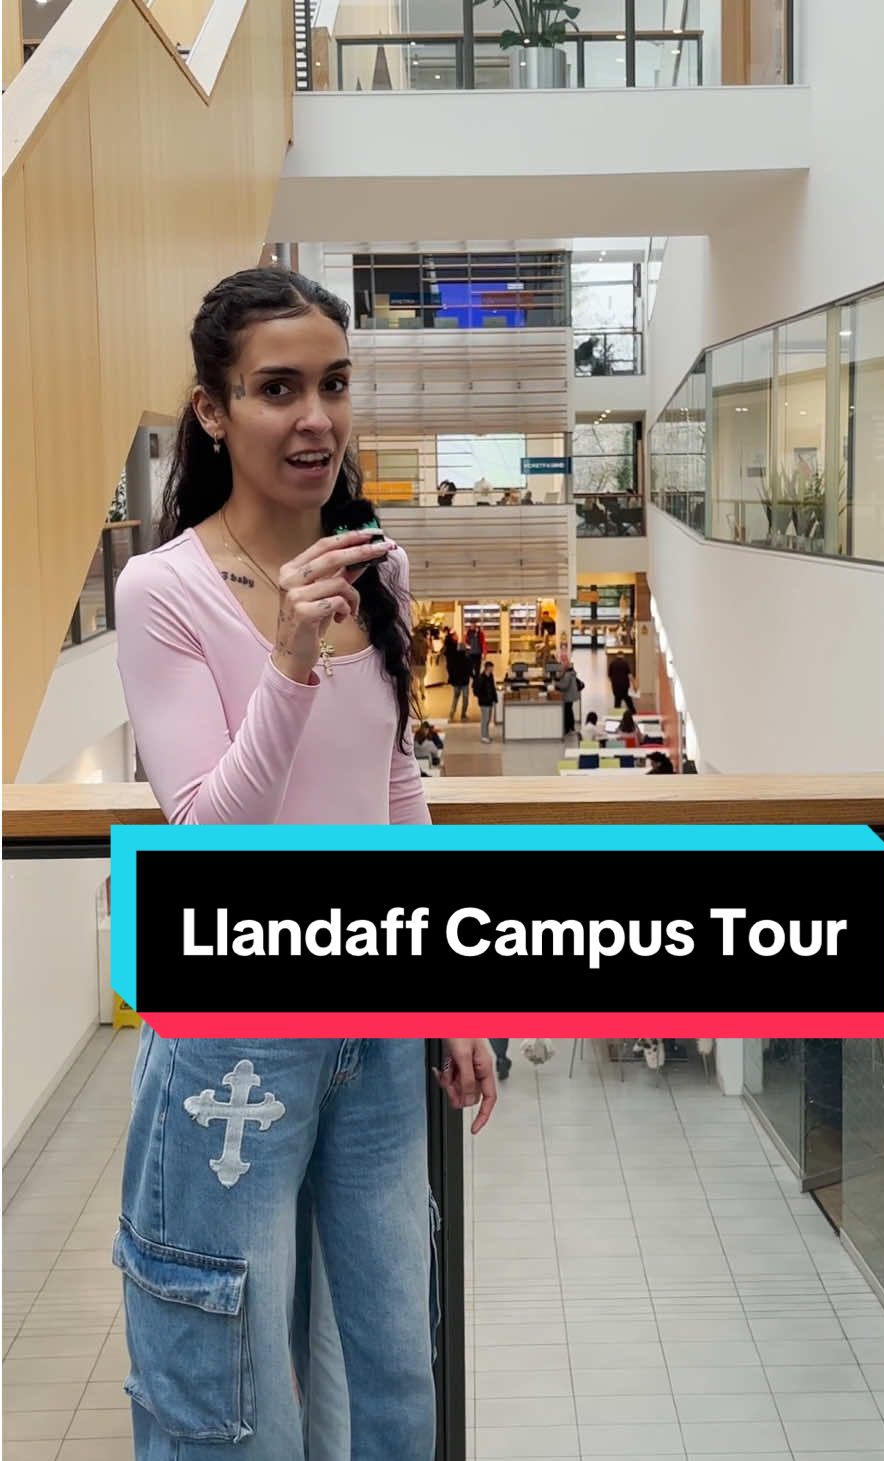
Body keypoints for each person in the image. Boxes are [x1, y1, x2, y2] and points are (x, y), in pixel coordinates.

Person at [112, 267, 496, 1460]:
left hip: (374, 1021)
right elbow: (204, 848)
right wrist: (288, 658)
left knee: (392, 1367)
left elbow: (392, 789)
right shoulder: (162, 590)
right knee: (235, 1397)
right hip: (235, 1034)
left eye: (334, 384)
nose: (316, 417)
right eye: (278, 389)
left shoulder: (375, 566)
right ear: (215, 411)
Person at [444, 631, 472, 721]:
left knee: (456, 697)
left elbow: (450, 667)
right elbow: (469, 666)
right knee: (465, 698)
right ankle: (463, 715)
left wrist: (451, 677)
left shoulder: (452, 653)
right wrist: (473, 675)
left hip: (457, 679)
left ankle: (451, 715)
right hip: (464, 679)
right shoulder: (464, 655)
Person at [473, 659, 498, 743]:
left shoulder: (491, 676)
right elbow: (476, 691)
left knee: (488, 719)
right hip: (484, 703)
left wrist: (495, 699)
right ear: (487, 668)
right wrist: (482, 698)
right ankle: (483, 736)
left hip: (490, 701)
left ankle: (487, 735)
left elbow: (492, 688)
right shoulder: (481, 677)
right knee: (485, 719)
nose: (492, 670)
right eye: (491, 668)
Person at [556, 660, 582, 738]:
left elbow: (564, 686)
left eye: (561, 667)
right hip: (571, 696)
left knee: (567, 712)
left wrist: (555, 684)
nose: (560, 669)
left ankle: (569, 728)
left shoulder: (567, 675)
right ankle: (570, 728)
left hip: (568, 696)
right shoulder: (570, 673)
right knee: (569, 711)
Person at [410, 623, 430, 711]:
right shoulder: (425, 641)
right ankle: (422, 693)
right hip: (422, 663)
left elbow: (409, 650)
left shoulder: (411, 640)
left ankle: (415, 694)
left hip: (414, 663)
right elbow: (427, 650)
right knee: (422, 680)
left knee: (414, 680)